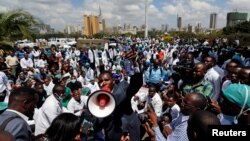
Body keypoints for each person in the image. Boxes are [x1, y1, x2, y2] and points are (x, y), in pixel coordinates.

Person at [94, 69, 143, 141]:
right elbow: (95, 122)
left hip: (129, 130)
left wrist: (135, 68)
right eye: (100, 81)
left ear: (113, 81)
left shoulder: (122, 88)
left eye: (106, 80)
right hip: (112, 135)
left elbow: (135, 84)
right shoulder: (96, 99)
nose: (103, 83)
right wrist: (84, 129)